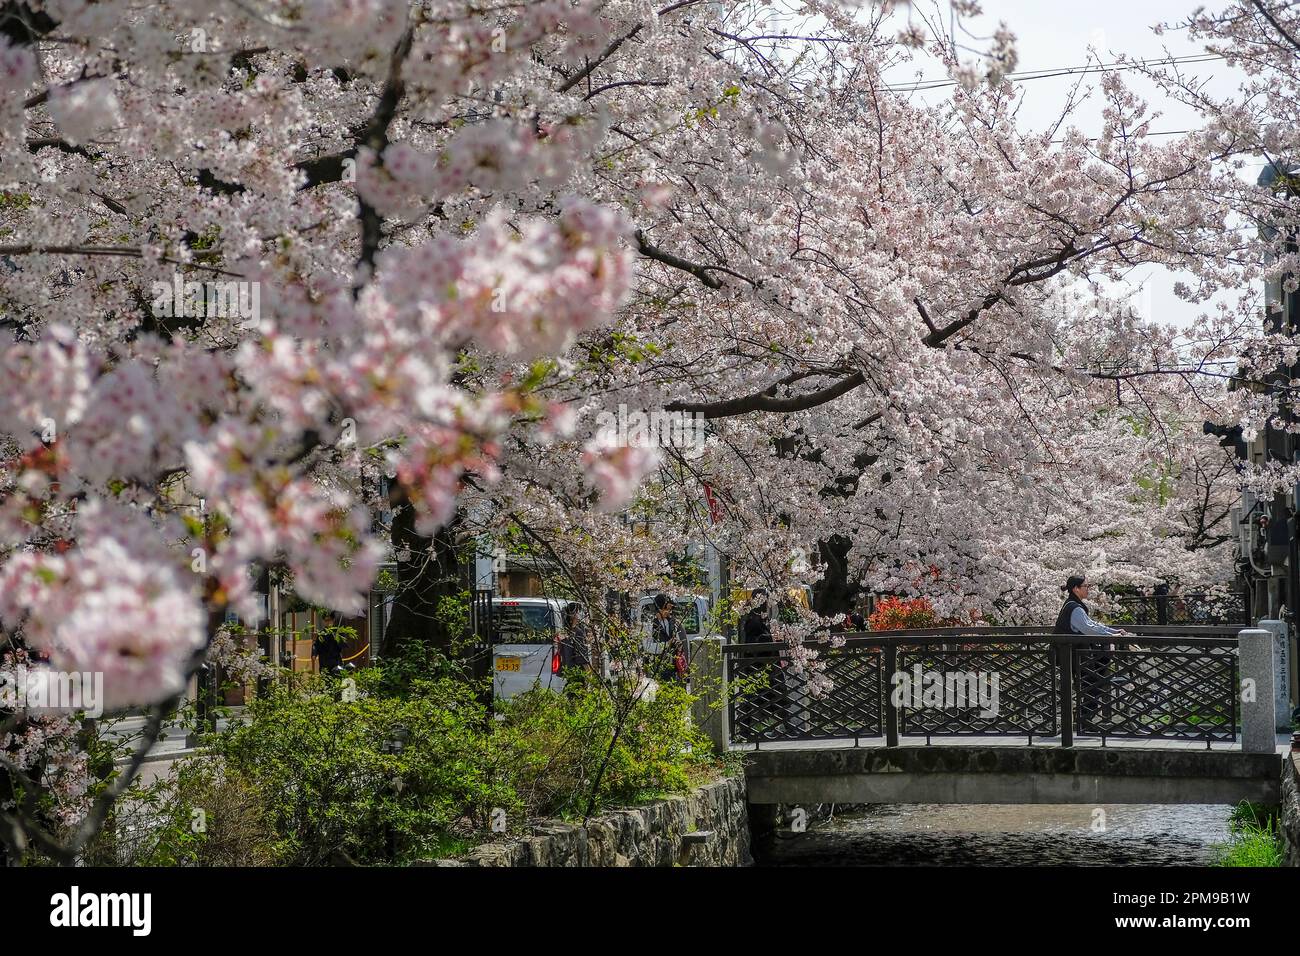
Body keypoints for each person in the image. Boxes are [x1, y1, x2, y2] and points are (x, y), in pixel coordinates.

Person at [1054, 575, 1130, 729]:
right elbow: (1089, 629)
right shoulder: (1074, 608)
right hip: (1074, 655)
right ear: (1076, 588)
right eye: (1085, 586)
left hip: (1074, 654)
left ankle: (1083, 721)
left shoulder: (1073, 605)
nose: (1088, 589)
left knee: (1091, 686)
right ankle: (1083, 722)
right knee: (1093, 687)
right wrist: (1111, 635)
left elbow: (1092, 624)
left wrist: (1112, 631)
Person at [648, 593, 687, 685]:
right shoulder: (650, 625)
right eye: (667, 609)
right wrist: (666, 644)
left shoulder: (675, 623)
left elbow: (685, 645)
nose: (669, 612)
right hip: (657, 668)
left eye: (670, 609)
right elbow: (648, 647)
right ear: (659, 608)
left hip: (675, 667)